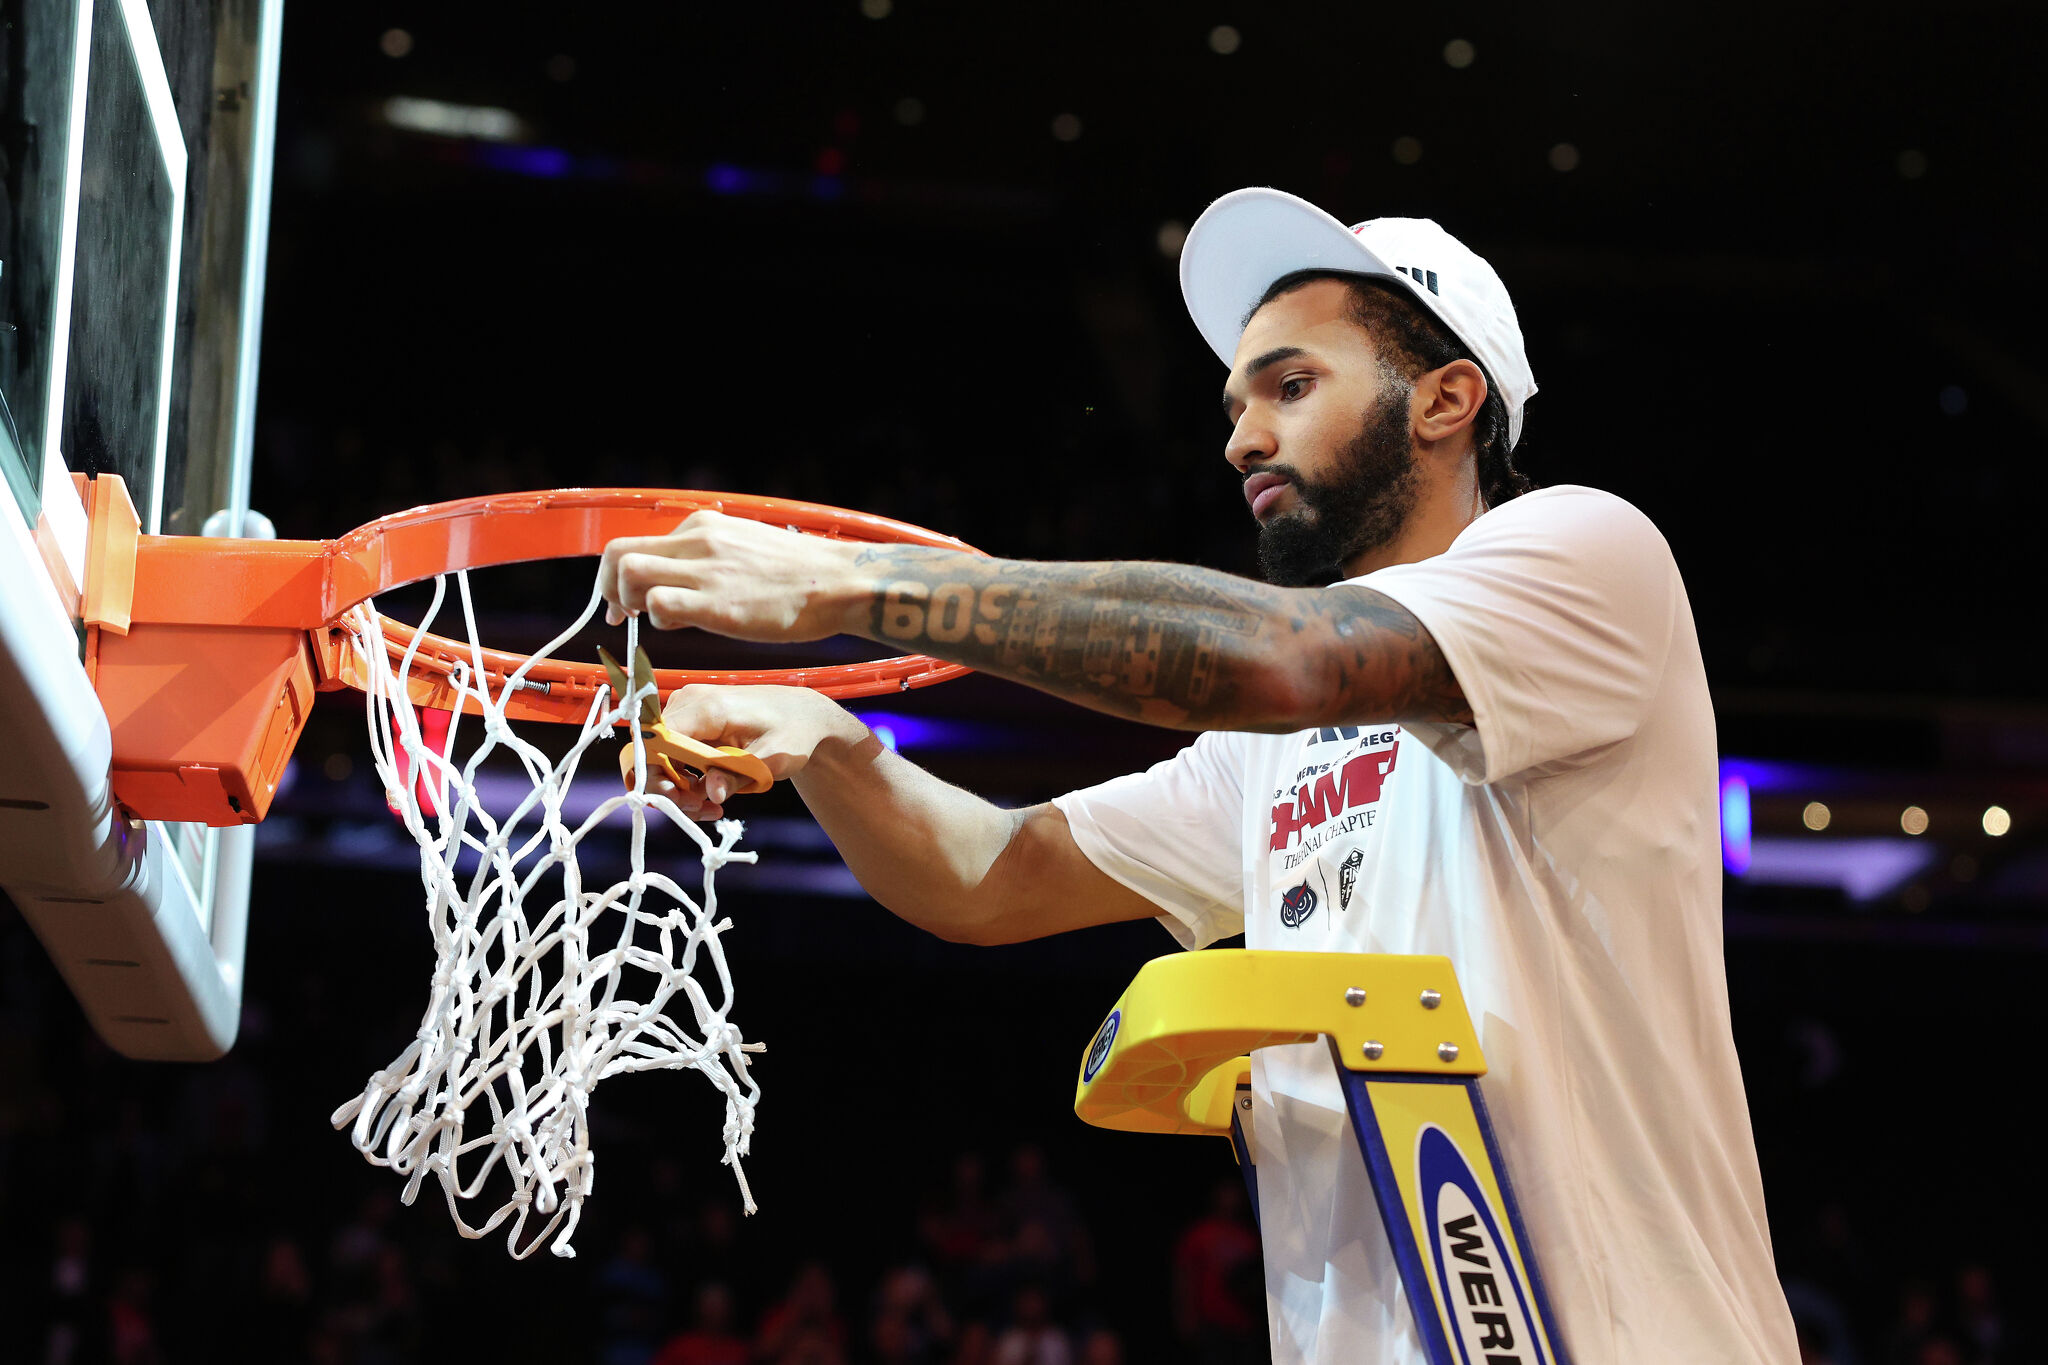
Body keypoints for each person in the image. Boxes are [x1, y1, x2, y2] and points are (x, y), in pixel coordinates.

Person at [596, 187, 1798, 1364]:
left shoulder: (1584, 555)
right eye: (1235, 402)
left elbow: (1278, 661)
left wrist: (839, 586)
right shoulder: (1280, 751)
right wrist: (824, 737)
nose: (1239, 438)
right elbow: (988, 880)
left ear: (1444, 400)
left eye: (1289, 384)